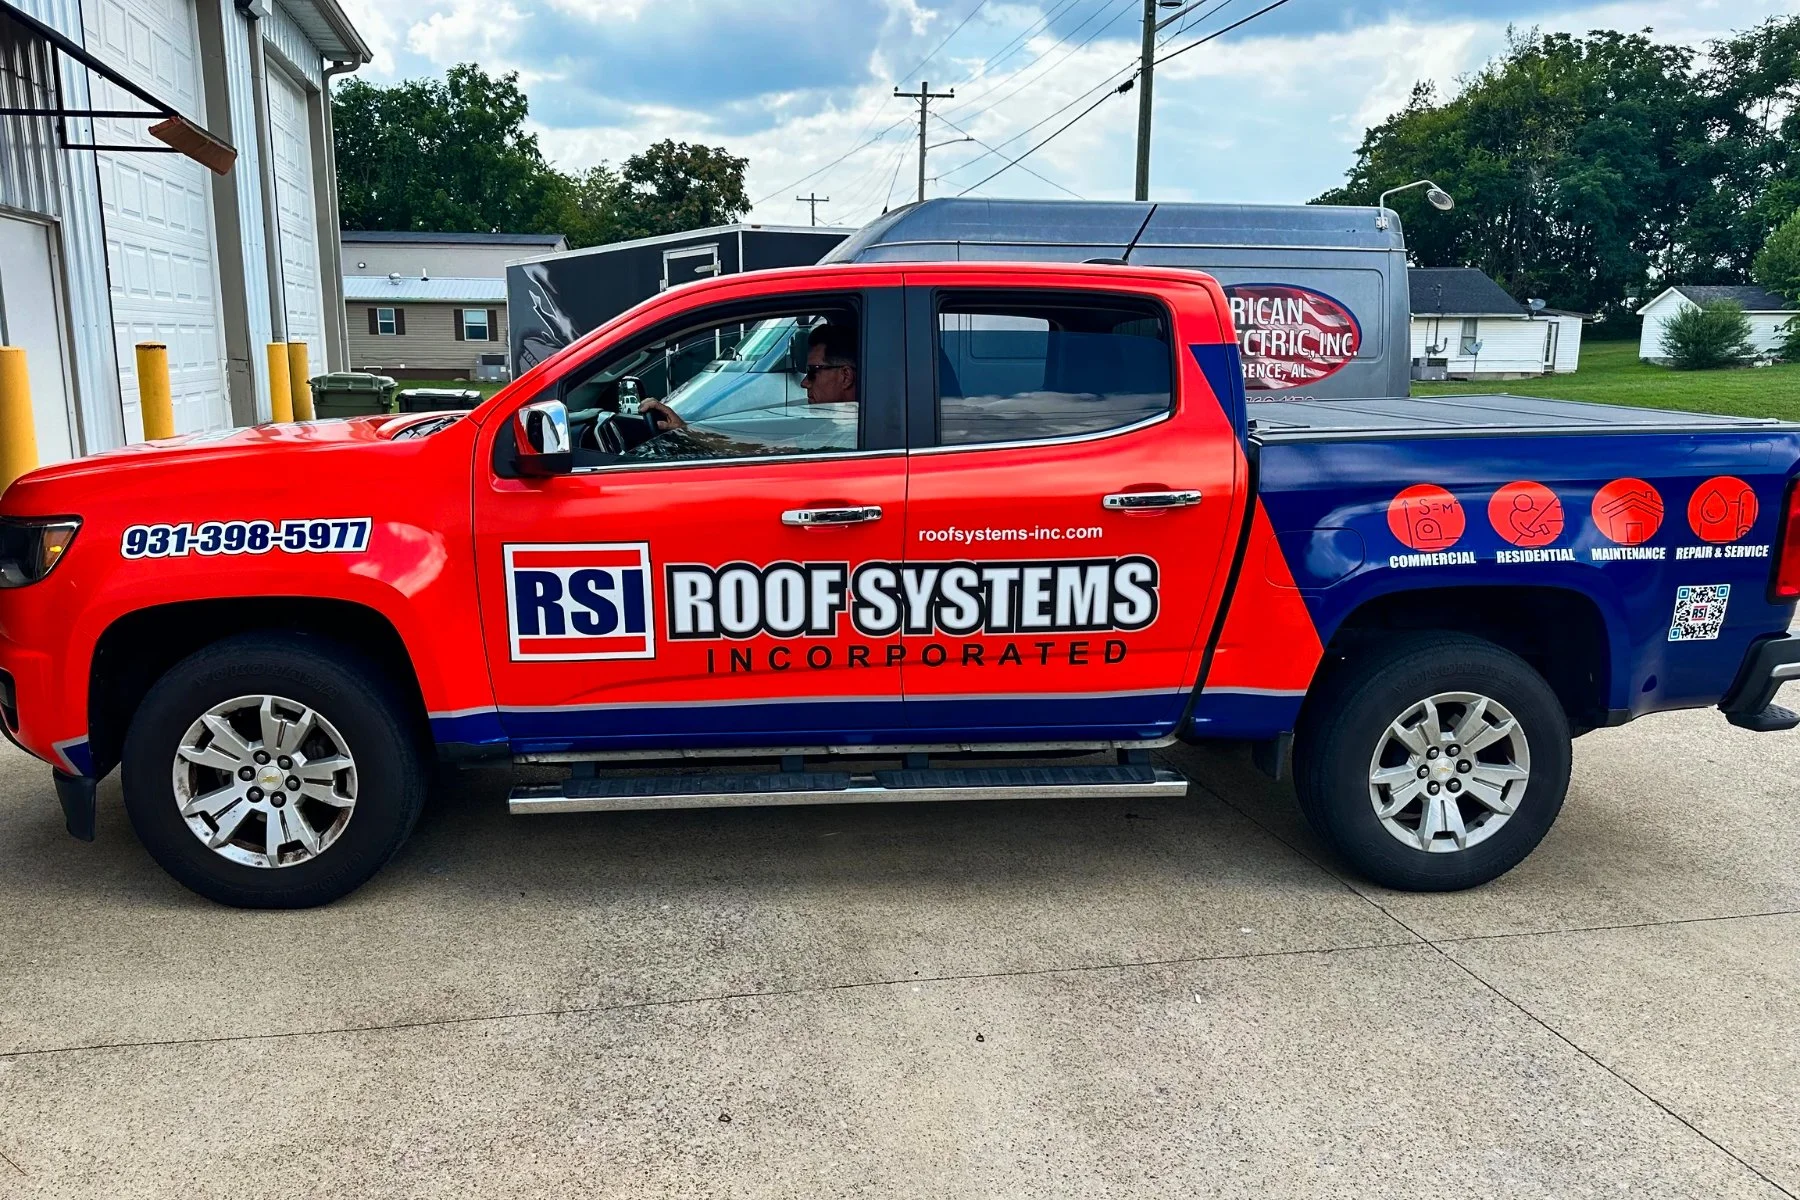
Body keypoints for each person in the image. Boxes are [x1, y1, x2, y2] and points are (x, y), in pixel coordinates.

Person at [642, 322, 857, 435]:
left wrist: (687, 434)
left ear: (845, 376)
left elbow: (772, 451)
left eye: (813, 372)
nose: (804, 382)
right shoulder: (833, 426)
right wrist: (686, 431)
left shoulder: (849, 435)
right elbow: (771, 449)